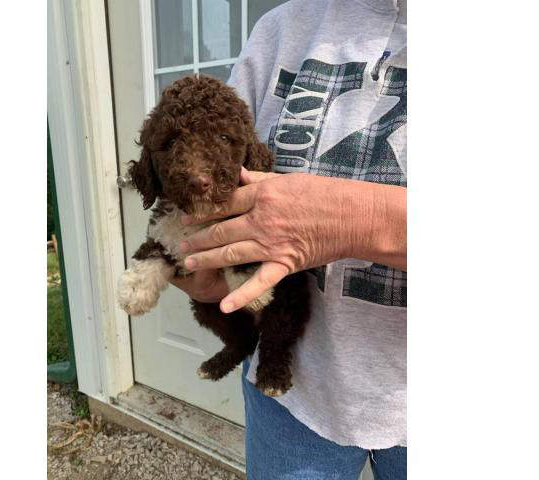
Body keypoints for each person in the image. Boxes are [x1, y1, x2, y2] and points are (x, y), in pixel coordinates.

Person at [171, 0, 407, 478]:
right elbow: (211, 174)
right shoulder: (281, 28)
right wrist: (198, 255)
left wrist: (350, 218)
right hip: (294, 392)